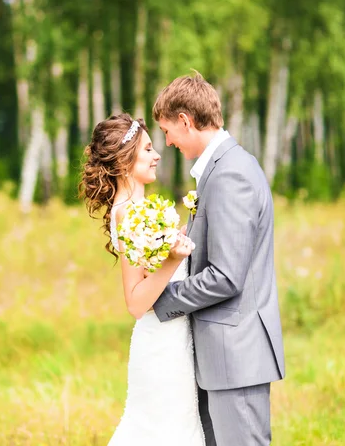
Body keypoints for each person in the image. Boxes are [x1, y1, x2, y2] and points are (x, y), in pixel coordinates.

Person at [152, 73, 285, 446]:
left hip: (236, 355)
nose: (168, 142)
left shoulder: (230, 174)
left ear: (185, 120)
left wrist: (160, 298)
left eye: (167, 130)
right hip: (224, 355)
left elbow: (226, 276)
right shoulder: (221, 169)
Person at [79, 112, 205, 446]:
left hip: (175, 337)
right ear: (124, 160)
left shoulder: (139, 206)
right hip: (161, 343)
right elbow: (135, 302)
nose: (157, 154)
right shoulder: (128, 212)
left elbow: (154, 267)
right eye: (147, 149)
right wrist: (174, 259)